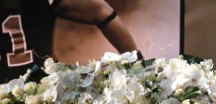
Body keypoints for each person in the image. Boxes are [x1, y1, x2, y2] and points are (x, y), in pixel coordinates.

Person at [0, 0, 141, 84]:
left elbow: (101, 11)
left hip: (37, 91)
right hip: (41, 89)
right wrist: (137, 61)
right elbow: (102, 11)